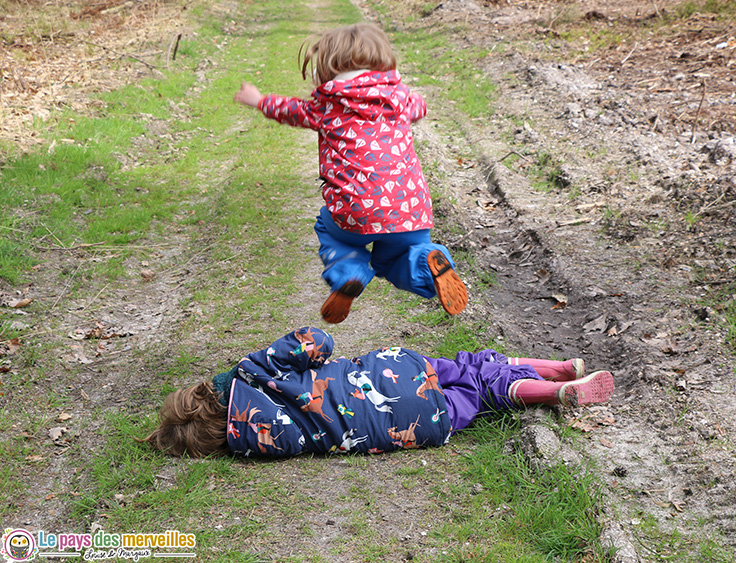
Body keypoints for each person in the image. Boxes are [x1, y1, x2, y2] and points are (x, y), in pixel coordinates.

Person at [233, 22, 468, 324]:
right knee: (395, 258)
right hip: (411, 211)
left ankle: (349, 272)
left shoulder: (329, 103)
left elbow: (292, 111)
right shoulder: (400, 97)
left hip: (354, 213)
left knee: (328, 228)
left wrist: (260, 100)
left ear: (329, 65)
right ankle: (427, 262)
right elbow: (420, 107)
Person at [143, 327, 615, 458]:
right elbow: (317, 341)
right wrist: (237, 374)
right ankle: (554, 379)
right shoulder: (251, 374)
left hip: (413, 427)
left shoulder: (254, 446)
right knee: (473, 367)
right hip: (395, 372)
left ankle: (552, 385)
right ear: (206, 394)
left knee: (482, 395)